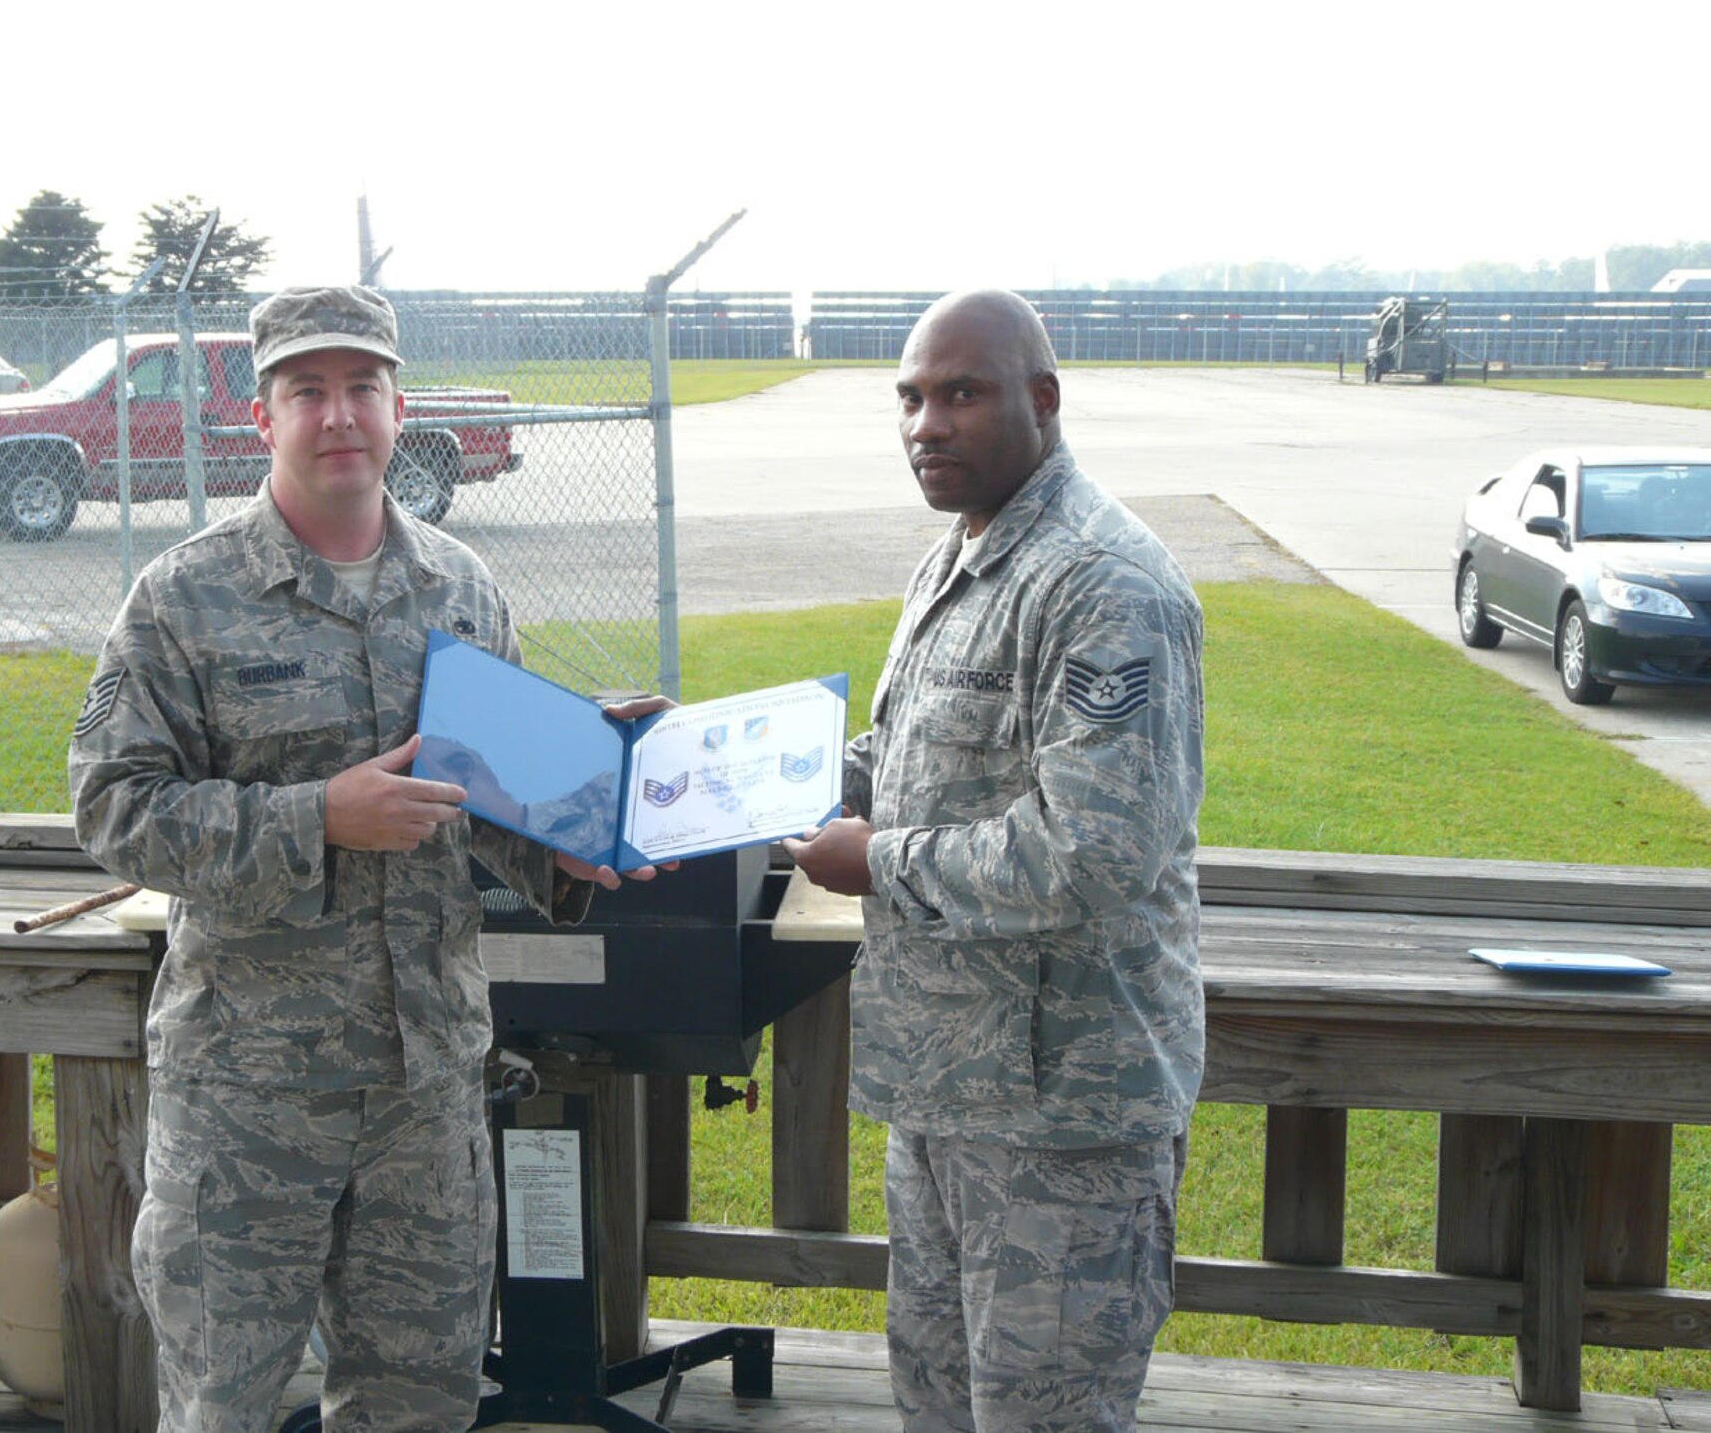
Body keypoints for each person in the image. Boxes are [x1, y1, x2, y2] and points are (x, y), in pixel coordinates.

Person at [68, 284, 656, 1432]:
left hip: (424, 1088)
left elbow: (488, 803)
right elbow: (112, 812)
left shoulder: (460, 588)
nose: (338, 414)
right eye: (307, 390)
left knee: (420, 1399)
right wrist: (314, 817)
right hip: (249, 1096)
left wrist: (585, 847)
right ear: (263, 416)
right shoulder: (181, 598)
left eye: (362, 388)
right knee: (222, 1402)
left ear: (397, 408)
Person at [786, 288, 1205, 1432]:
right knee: (939, 1406)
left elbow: (1092, 853)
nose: (926, 423)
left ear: (1041, 399)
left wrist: (880, 861)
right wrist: (730, 763)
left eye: (961, 393)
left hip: (1062, 1121)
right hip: (944, 1092)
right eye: (911, 397)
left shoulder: (1098, 583)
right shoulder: (958, 560)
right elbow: (902, 755)